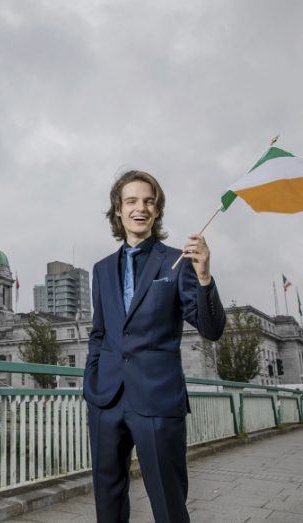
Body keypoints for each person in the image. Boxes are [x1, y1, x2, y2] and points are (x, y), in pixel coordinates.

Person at [84, 170, 226, 523]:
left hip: (158, 399)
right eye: (131, 201)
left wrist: (205, 276)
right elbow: (99, 332)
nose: (140, 208)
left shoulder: (178, 262)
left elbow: (211, 329)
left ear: (157, 209)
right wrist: (92, 382)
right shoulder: (101, 270)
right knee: (108, 499)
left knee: (168, 503)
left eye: (148, 201)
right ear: (118, 210)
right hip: (106, 400)